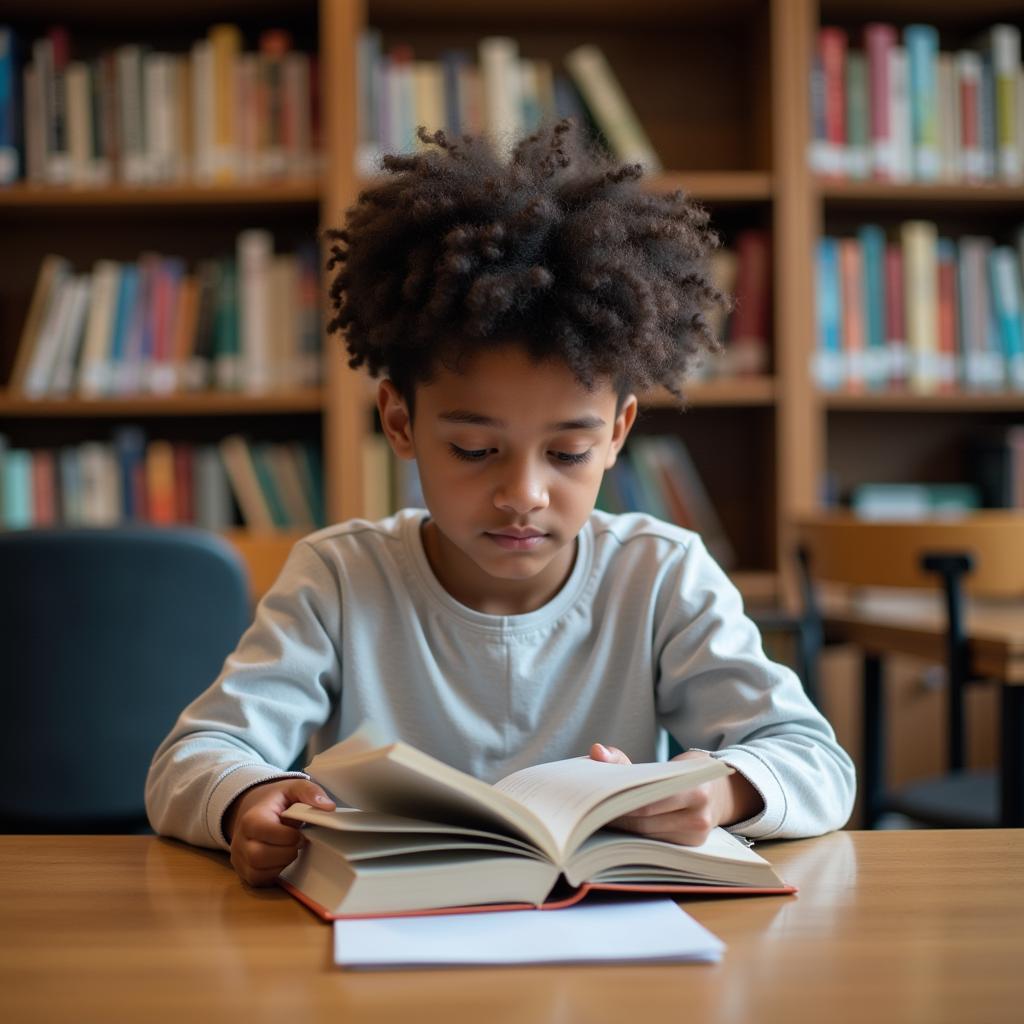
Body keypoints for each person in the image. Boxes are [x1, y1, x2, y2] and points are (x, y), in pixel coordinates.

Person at [146, 121, 855, 887]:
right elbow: (191, 759)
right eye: (476, 451)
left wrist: (719, 792)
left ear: (618, 432)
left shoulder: (662, 575)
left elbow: (814, 761)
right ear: (399, 422)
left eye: (568, 453)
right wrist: (246, 796)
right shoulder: (339, 578)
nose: (522, 494)